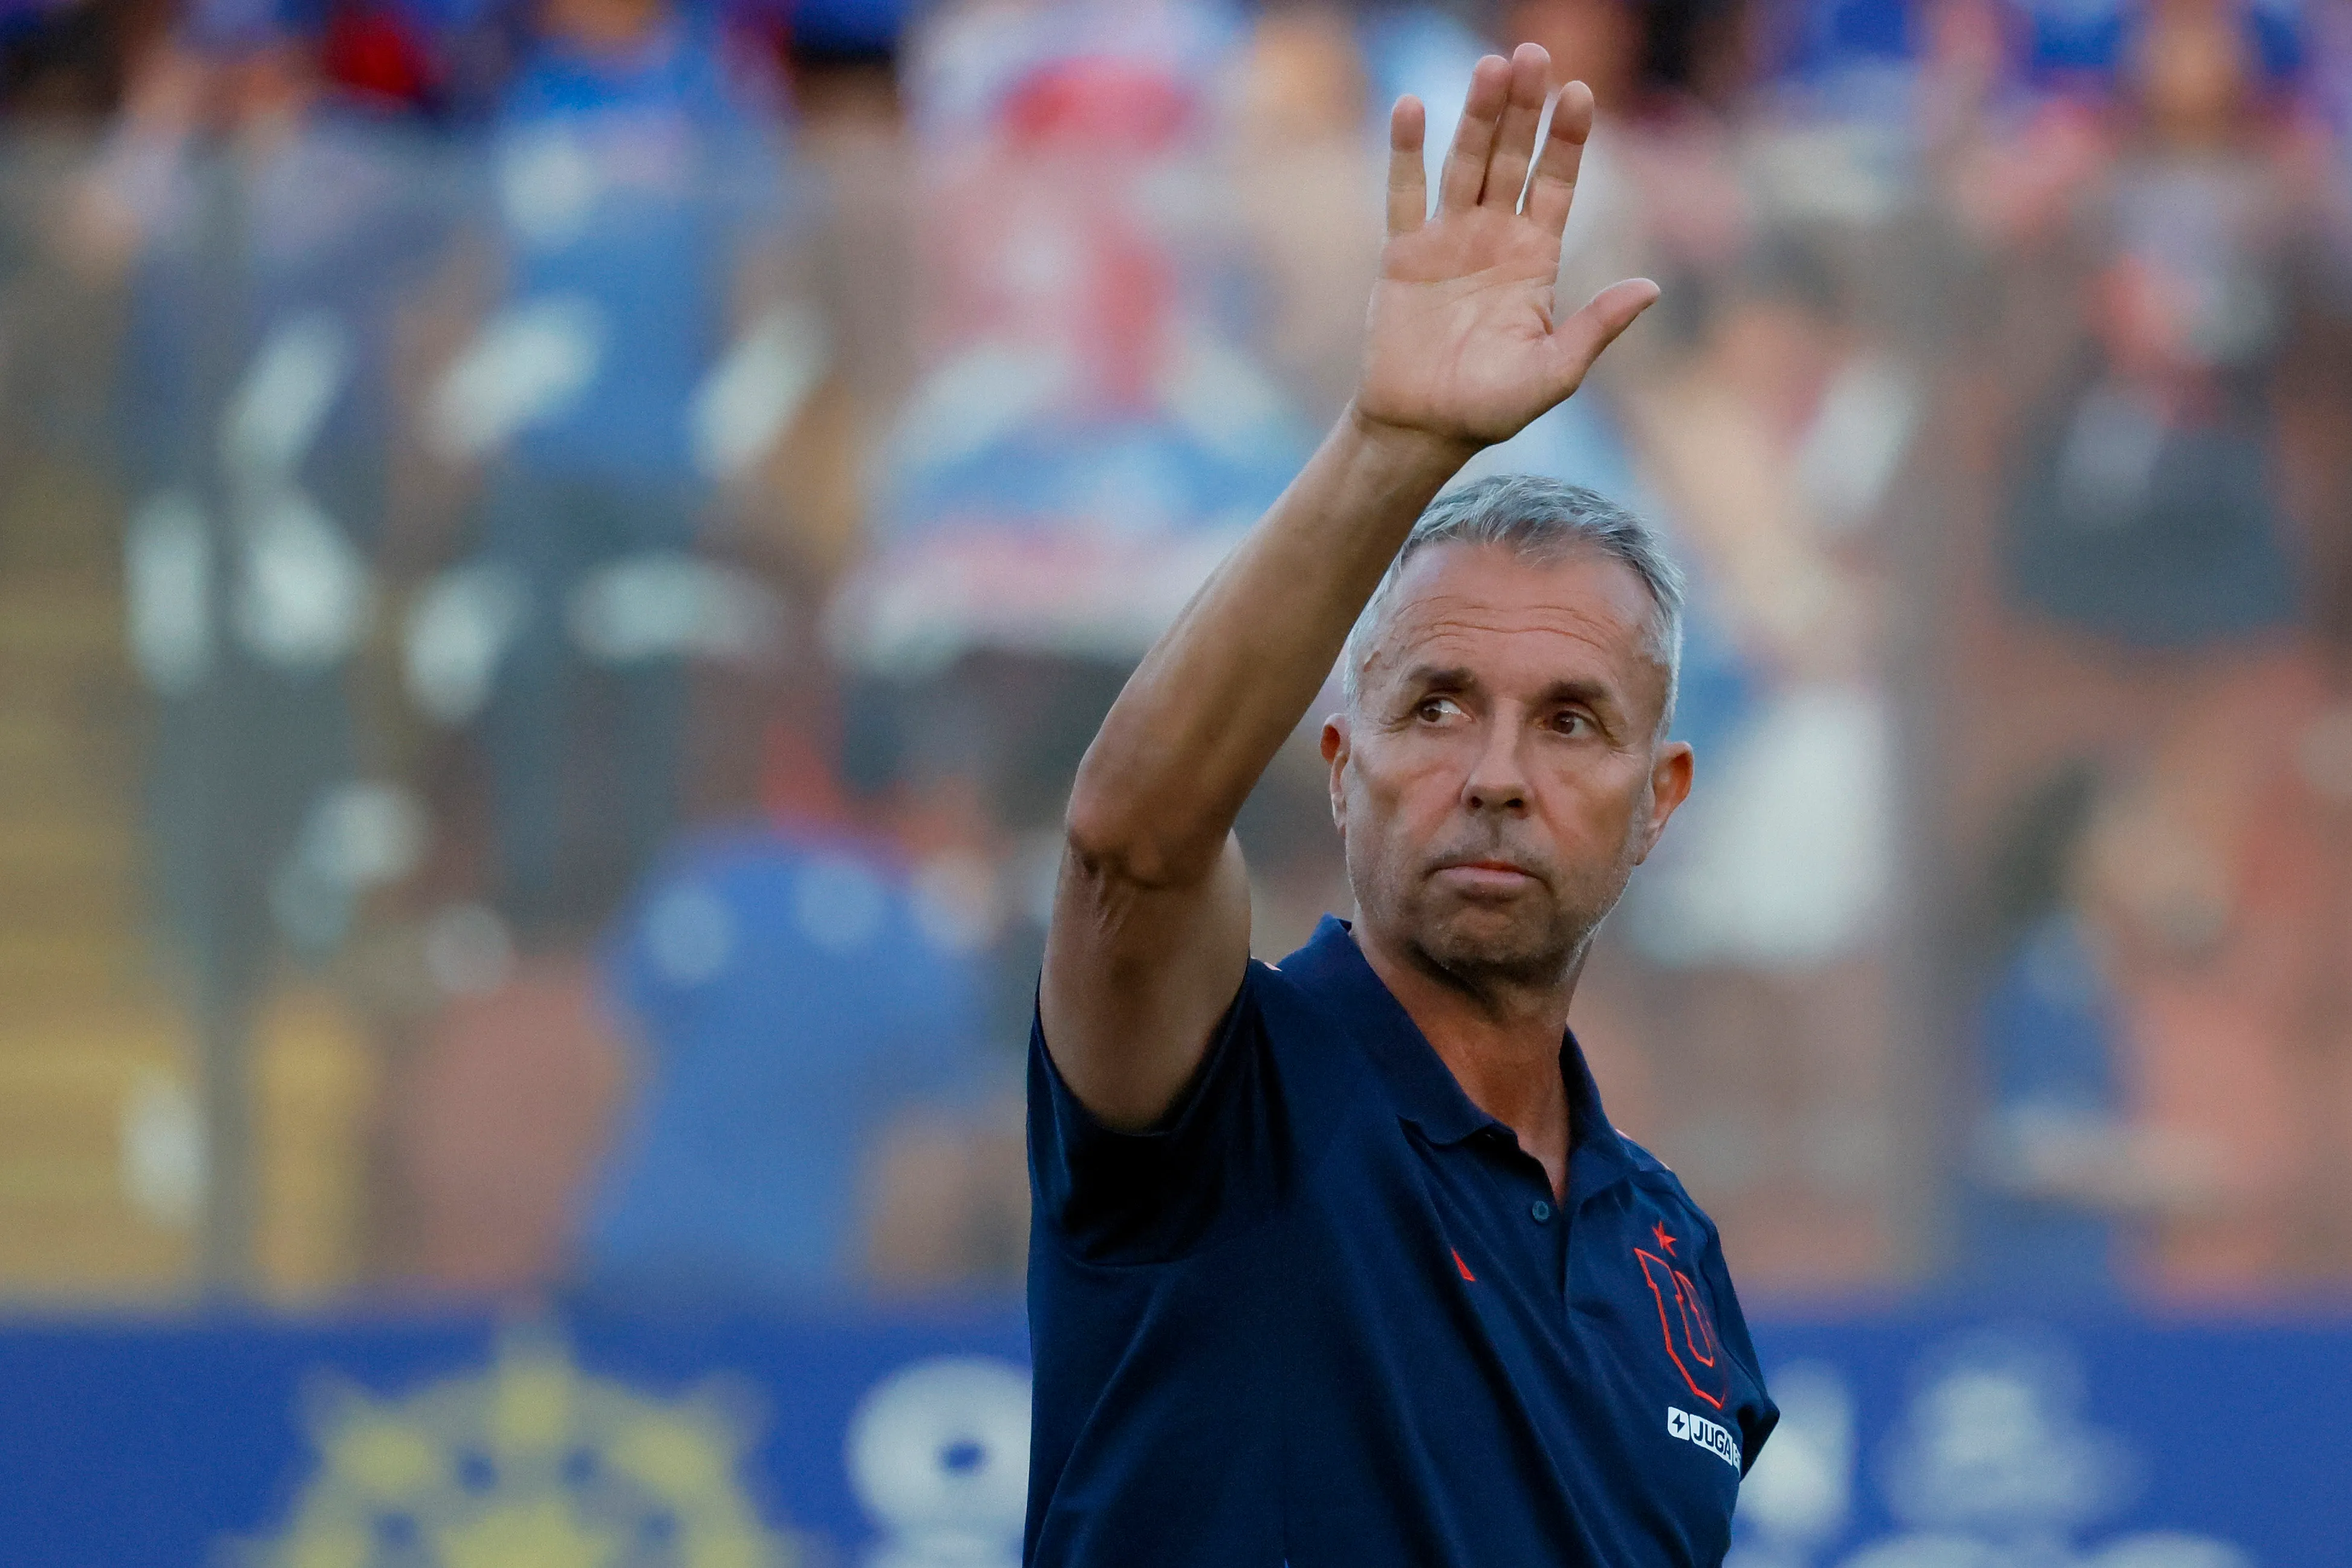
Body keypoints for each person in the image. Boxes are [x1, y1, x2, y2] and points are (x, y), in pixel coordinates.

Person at [1027, 42, 1778, 1567]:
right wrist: (1394, 445)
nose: (1495, 771)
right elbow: (1128, 849)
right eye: (1436, 706)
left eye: (1572, 723)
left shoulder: (1670, 1257)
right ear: (1337, 760)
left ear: (1658, 803)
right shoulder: (1212, 1089)